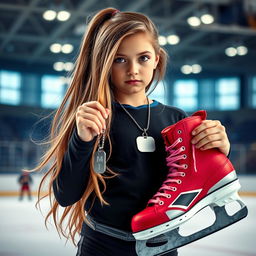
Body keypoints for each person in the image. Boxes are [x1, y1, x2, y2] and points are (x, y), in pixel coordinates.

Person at [33, 7, 231, 256]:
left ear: (157, 58)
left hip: (161, 245)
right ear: (103, 62)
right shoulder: (91, 118)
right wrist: (81, 138)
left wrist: (219, 150)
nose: (133, 69)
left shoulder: (177, 119)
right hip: (101, 246)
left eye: (143, 58)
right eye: (120, 59)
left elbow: (198, 181)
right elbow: (66, 195)